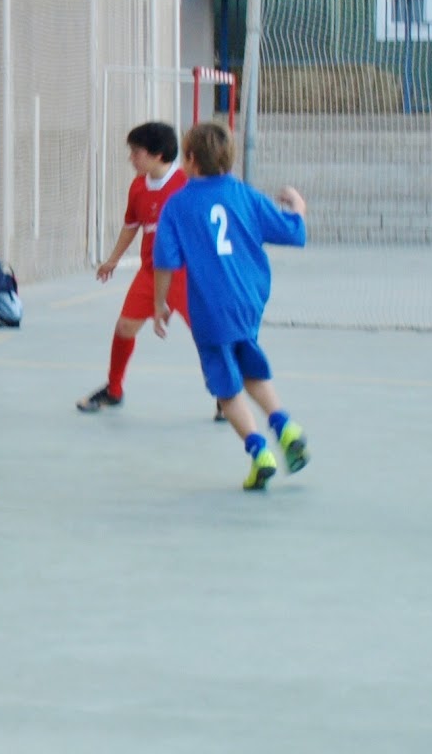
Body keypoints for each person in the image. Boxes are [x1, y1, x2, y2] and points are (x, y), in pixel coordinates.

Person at [152, 122, 310, 491]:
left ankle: (260, 454)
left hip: (211, 307)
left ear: (191, 159)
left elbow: (165, 262)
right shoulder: (245, 195)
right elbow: (294, 233)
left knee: (226, 388)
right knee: (249, 368)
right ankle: (285, 426)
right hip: (248, 301)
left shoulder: (178, 205)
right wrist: (298, 207)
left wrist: (160, 304)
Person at [76, 121, 221, 420]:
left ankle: (225, 395)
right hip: (151, 273)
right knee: (124, 327)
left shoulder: (186, 183)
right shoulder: (138, 186)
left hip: (187, 275)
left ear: (157, 155)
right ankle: (114, 390)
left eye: (136, 152)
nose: (131, 157)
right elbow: (131, 225)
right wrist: (113, 259)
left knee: (207, 335)